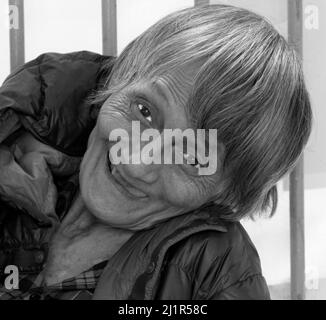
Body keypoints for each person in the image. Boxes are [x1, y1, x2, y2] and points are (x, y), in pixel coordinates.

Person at [0, 5, 311, 300]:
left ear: (227, 196)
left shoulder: (214, 278)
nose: (137, 164)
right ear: (118, 82)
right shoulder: (16, 154)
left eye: (191, 158)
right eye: (144, 112)